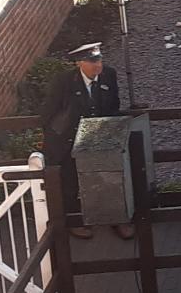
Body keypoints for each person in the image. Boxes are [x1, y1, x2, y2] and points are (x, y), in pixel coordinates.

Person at [42, 43, 127, 240]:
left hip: (98, 135)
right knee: (70, 182)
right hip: (70, 138)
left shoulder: (108, 75)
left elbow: (113, 104)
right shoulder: (64, 81)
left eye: (99, 60)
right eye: (92, 61)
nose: (98, 65)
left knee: (108, 177)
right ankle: (74, 221)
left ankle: (115, 218)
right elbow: (49, 111)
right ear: (80, 63)